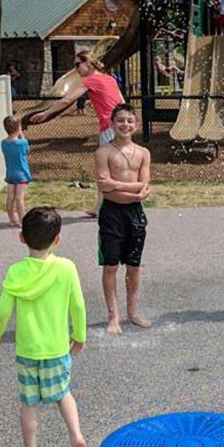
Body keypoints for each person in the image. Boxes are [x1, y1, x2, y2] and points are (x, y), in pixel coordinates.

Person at [0, 207, 88, 447]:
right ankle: (76, 437)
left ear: (21, 238)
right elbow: (78, 305)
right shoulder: (66, 268)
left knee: (29, 404)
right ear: (58, 239)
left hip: (28, 352)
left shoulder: (16, 272)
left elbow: (2, 311)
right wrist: (79, 334)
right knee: (63, 394)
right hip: (56, 349)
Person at [27, 51, 124, 217]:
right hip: (120, 127)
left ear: (89, 63)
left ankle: (109, 209)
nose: (76, 68)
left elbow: (67, 100)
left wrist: (46, 113)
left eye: (78, 64)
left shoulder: (91, 80)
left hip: (109, 129)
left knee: (105, 171)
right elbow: (122, 102)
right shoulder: (109, 79)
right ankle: (101, 208)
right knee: (112, 169)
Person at [94, 104, 151, 334]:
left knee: (134, 265)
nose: (125, 124)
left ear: (135, 125)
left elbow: (144, 188)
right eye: (120, 120)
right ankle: (113, 316)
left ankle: (132, 311)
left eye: (129, 120)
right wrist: (135, 188)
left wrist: (117, 185)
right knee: (110, 265)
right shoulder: (103, 153)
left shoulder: (143, 153)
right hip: (112, 214)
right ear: (112, 124)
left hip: (135, 214)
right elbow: (106, 192)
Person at [1, 115, 31, 228]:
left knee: (10, 197)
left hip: (10, 174)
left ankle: (12, 220)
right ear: (18, 128)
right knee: (19, 197)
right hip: (22, 174)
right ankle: (22, 221)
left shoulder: (3, 143)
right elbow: (27, 149)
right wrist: (21, 134)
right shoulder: (22, 143)